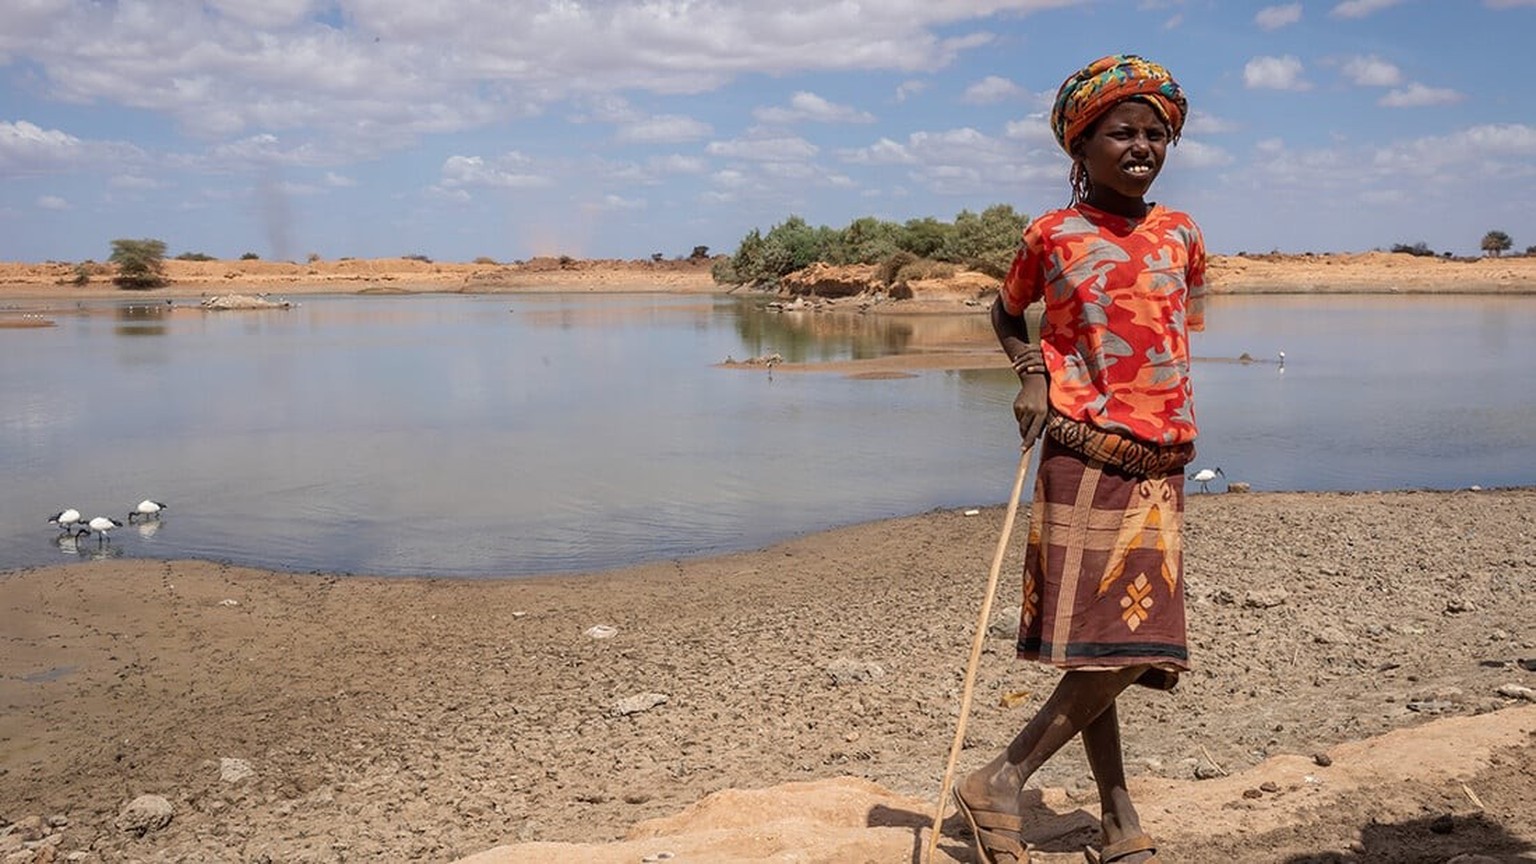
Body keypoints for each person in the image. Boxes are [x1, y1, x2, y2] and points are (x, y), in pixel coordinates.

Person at [951, 54, 1207, 864]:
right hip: (1083, 452)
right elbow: (1005, 312)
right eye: (1122, 132)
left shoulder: (1182, 233)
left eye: (1155, 133)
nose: (1142, 146)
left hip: (1162, 460)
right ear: (1080, 148)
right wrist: (1031, 374)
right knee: (1123, 646)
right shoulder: (1051, 235)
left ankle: (1116, 816)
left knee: (1116, 646)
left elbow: (1177, 329)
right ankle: (1005, 779)